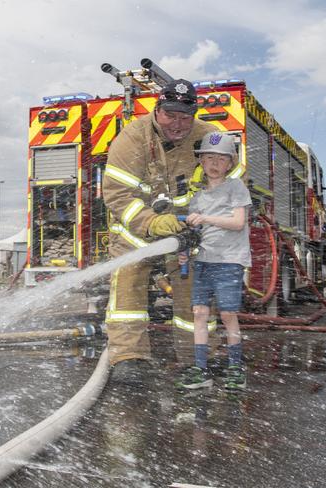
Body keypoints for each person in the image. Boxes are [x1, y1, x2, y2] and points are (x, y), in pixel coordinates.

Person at [102, 79, 216, 385]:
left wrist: (203, 221)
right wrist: (152, 222)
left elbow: (228, 187)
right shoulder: (132, 138)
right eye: (170, 115)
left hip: (187, 232)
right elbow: (116, 194)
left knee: (193, 292)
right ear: (157, 110)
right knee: (128, 285)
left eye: (184, 117)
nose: (177, 124)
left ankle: (198, 356)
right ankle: (129, 357)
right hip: (135, 231)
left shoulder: (209, 138)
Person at [175, 131, 252, 391]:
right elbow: (194, 233)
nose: (214, 163)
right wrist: (185, 249)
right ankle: (201, 369)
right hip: (205, 261)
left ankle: (235, 367)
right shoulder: (197, 197)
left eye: (221, 158)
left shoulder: (236, 187)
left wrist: (206, 219)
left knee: (228, 313)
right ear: (200, 162)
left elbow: (238, 223)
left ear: (230, 163)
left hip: (230, 260)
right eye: (208, 157)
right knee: (199, 313)